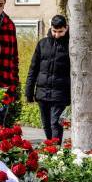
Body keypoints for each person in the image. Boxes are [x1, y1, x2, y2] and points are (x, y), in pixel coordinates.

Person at [25, 15, 70, 143]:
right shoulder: (42, 44)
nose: (56, 35)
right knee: (46, 124)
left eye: (60, 32)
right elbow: (33, 69)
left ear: (66, 28)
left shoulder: (71, 45)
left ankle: (55, 151)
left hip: (60, 95)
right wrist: (29, 92)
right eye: (54, 31)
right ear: (51, 28)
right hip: (42, 93)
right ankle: (51, 147)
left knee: (55, 123)